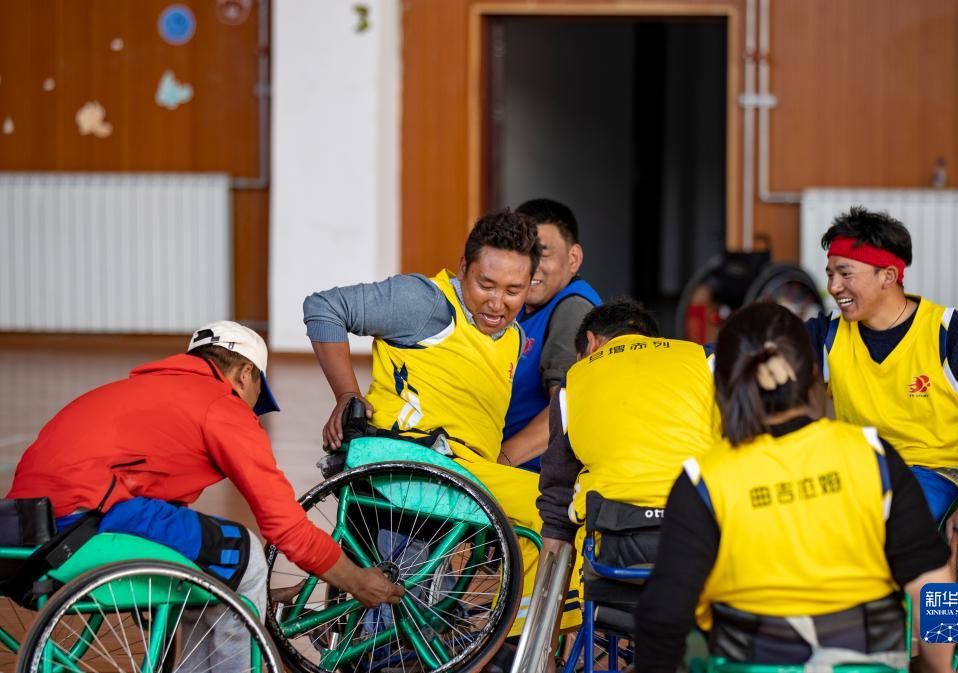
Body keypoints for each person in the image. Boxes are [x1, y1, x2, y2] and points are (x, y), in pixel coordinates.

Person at [6, 320, 403, 671]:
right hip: (85, 524)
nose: (255, 410)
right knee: (244, 550)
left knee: (219, 559)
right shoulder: (220, 405)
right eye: (257, 395)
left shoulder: (132, 392)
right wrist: (356, 580)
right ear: (245, 374)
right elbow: (286, 527)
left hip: (25, 530)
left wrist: (255, 591)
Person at [634, 303, 953, 673]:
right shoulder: (873, 455)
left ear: (721, 386)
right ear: (814, 374)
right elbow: (937, 583)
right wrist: (939, 670)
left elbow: (662, 614)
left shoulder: (703, 479)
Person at [302, 209, 578, 635]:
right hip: (412, 462)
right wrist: (346, 395)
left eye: (513, 290)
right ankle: (522, 645)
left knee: (555, 507)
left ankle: (519, 636)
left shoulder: (512, 337)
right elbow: (323, 307)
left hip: (459, 471)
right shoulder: (426, 303)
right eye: (486, 285)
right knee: (556, 507)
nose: (497, 302)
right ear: (463, 268)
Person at [809, 206, 958, 554]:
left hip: (940, 474)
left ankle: (936, 595)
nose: (833, 287)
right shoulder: (827, 333)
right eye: (830, 274)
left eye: (845, 274)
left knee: (887, 525)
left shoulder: (950, 335)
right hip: (862, 472)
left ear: (888, 276)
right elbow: (757, 347)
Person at [536, 298, 719, 627]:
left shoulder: (574, 381)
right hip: (704, 550)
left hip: (614, 559)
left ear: (591, 342)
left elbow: (557, 503)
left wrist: (546, 636)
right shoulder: (703, 359)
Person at [501, 198, 601, 471]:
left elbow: (566, 410)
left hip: (534, 481)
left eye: (542, 253)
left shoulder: (573, 309)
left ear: (573, 259)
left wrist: (497, 462)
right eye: (522, 252)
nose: (531, 265)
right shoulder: (518, 306)